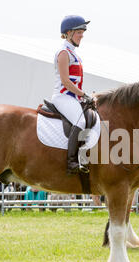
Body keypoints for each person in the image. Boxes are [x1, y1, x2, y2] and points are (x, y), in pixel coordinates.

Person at [52, 15, 92, 175]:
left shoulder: (74, 53)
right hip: (63, 97)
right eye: (79, 32)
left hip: (73, 97)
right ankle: (71, 162)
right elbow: (66, 81)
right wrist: (83, 94)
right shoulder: (63, 53)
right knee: (80, 121)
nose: (82, 35)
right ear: (68, 33)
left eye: (83, 32)